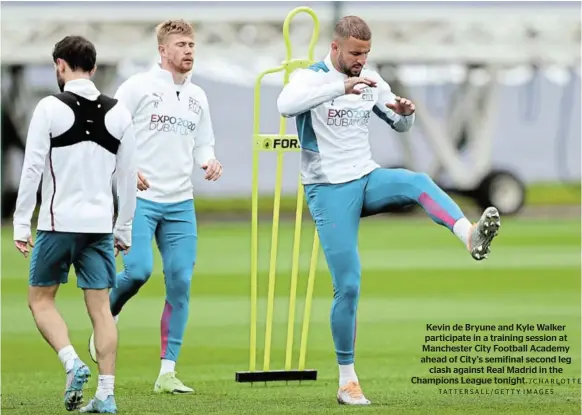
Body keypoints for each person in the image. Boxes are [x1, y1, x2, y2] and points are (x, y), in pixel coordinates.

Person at [276, 16, 501, 406]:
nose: (362, 60)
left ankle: (469, 235)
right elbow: (285, 106)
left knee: (418, 182)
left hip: (366, 177)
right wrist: (339, 86)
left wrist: (406, 111)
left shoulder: (372, 80)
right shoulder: (310, 78)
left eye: (366, 53)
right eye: (355, 53)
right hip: (328, 189)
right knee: (348, 284)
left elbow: (399, 124)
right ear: (335, 48)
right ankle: (347, 381)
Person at [88, 19, 223, 394]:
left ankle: (167, 372)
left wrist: (208, 162)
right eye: (181, 44)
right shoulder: (137, 88)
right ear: (162, 50)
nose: (189, 51)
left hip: (181, 203)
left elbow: (203, 143)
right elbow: (107, 131)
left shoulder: (198, 96)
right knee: (138, 272)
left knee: (180, 281)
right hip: (142, 200)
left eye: (192, 44)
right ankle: (107, 316)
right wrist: (126, 171)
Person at [13, 35, 137, 413]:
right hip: (100, 226)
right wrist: (124, 228)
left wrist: (21, 223)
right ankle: (107, 393)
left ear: (60, 66)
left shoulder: (49, 107)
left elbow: (32, 166)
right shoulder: (119, 112)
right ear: (94, 68)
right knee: (101, 309)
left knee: (41, 300)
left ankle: (71, 361)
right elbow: (127, 177)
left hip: (57, 222)